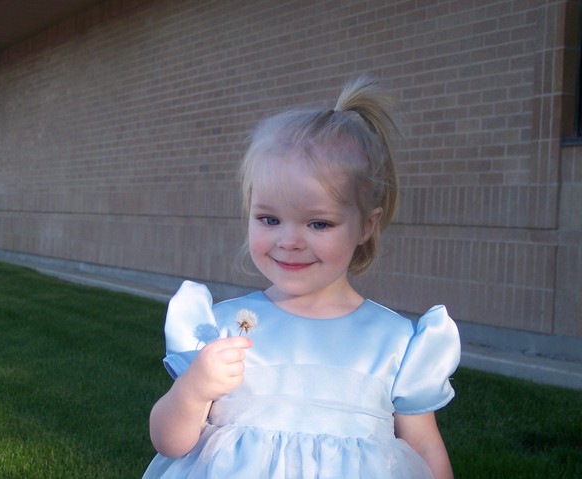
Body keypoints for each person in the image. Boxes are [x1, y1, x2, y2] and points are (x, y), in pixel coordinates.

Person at [142, 76, 461, 479]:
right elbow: (170, 443)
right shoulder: (218, 330)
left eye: (318, 223)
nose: (289, 241)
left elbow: (424, 447)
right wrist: (193, 391)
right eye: (269, 219)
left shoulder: (396, 343)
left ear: (366, 226)